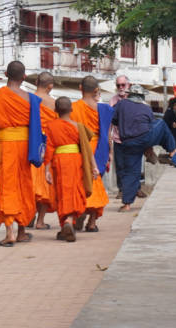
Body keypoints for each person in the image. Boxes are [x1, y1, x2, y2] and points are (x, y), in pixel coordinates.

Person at [0, 61, 36, 247]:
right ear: (24, 77)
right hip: (25, 146)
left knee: (7, 186)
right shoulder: (31, 99)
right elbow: (38, 127)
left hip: (4, 145)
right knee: (24, 186)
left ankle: (10, 232)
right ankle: (22, 231)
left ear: (6, 74)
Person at [113, 85, 176, 212]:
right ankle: (172, 151)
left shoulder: (120, 105)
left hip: (127, 143)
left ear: (129, 94)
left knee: (131, 172)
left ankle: (127, 204)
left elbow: (114, 120)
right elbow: (149, 125)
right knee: (160, 124)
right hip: (144, 138)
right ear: (142, 96)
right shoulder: (146, 108)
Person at [44, 97, 99, 242]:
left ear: (55, 110)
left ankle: (66, 224)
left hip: (59, 161)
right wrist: (94, 167)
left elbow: (49, 148)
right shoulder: (78, 127)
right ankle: (69, 221)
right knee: (75, 191)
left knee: (62, 192)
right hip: (76, 161)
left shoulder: (51, 126)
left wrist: (46, 170)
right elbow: (87, 150)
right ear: (71, 110)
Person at [70, 76, 112, 232]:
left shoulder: (73, 108)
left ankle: (77, 215)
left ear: (80, 88)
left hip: (79, 147)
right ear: (96, 91)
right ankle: (92, 222)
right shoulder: (104, 109)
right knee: (96, 183)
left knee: (80, 183)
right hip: (98, 149)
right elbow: (107, 135)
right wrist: (110, 153)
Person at [30, 72, 58, 230]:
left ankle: (28, 216)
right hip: (46, 146)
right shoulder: (53, 104)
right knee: (45, 184)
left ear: (35, 82)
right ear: (50, 86)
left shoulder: (28, 99)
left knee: (31, 182)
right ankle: (40, 221)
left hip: (31, 143)